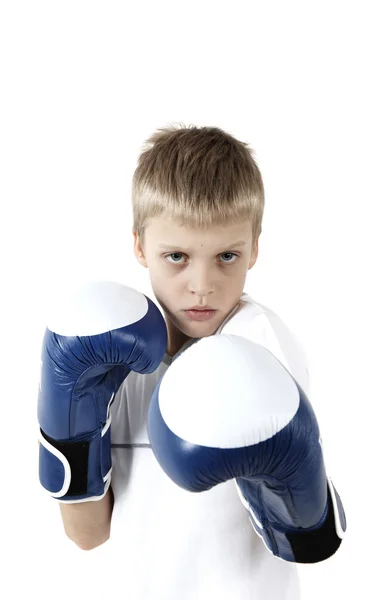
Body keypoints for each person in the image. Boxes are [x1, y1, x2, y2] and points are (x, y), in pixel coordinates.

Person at [38, 124, 345, 599]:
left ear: (254, 249)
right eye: (176, 256)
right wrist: (68, 422)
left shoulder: (263, 346)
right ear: (140, 247)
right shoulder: (111, 353)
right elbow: (88, 534)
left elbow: (304, 541)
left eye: (226, 255)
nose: (202, 284)